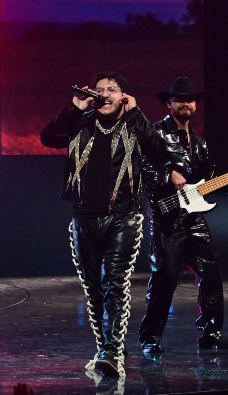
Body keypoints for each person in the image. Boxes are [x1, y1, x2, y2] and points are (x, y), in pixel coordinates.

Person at [41, 72, 166, 377]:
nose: (105, 94)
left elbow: (160, 154)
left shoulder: (135, 126)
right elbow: (48, 138)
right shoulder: (80, 123)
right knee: (94, 291)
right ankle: (108, 349)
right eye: (100, 90)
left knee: (115, 284)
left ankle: (110, 352)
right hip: (84, 218)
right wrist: (74, 108)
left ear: (124, 96)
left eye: (112, 89)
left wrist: (136, 112)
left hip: (124, 217)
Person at [138, 76, 228, 354]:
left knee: (211, 272)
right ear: (169, 104)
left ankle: (210, 334)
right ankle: (150, 338)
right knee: (165, 277)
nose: (186, 104)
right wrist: (168, 174)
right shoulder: (155, 135)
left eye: (190, 100)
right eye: (180, 100)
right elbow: (141, 166)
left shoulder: (198, 143)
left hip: (194, 218)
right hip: (167, 219)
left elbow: (209, 180)